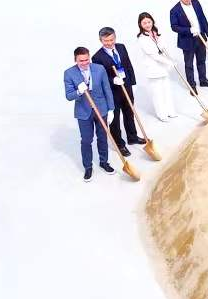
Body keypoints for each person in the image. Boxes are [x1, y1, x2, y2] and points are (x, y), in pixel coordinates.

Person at [92, 27, 146, 157]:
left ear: (115, 37)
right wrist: (113, 80)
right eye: (106, 41)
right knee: (115, 119)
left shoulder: (121, 47)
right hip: (112, 92)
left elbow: (128, 65)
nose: (109, 43)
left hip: (126, 86)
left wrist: (132, 83)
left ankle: (132, 137)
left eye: (111, 39)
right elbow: (100, 78)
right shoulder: (97, 57)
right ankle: (119, 144)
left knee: (129, 113)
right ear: (100, 40)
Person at [63, 46, 114, 182]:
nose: (85, 63)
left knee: (102, 137)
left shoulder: (99, 69)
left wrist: (111, 109)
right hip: (83, 112)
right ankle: (88, 167)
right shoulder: (69, 73)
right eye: (81, 61)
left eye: (87, 59)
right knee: (86, 140)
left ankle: (104, 162)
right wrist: (79, 91)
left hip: (101, 109)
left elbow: (107, 89)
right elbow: (69, 96)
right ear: (75, 60)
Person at [169, 0, 208, 90]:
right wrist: (189, 30)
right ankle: (192, 85)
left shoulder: (196, 3)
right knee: (189, 64)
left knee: (201, 61)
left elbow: (202, 18)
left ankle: (203, 80)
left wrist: (207, 34)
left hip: (200, 37)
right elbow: (174, 27)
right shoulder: (174, 10)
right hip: (187, 41)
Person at [135, 12, 179, 121]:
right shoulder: (142, 38)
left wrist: (169, 59)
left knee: (166, 91)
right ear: (140, 24)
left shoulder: (156, 34)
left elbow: (163, 48)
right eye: (144, 23)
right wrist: (169, 62)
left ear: (152, 21)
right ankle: (162, 114)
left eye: (149, 22)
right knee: (158, 93)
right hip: (153, 69)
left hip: (163, 68)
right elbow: (154, 55)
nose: (147, 25)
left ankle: (170, 111)